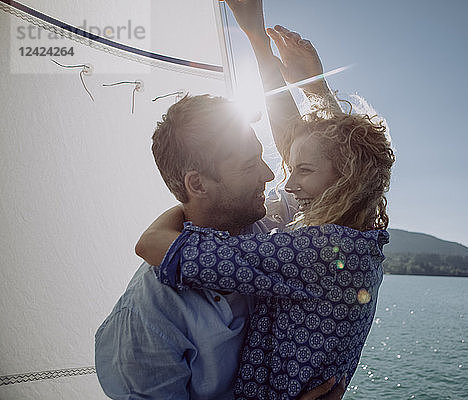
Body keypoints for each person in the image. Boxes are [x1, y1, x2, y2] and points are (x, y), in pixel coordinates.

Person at [135, 1, 395, 398]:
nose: (282, 181)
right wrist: (280, 61)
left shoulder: (315, 248)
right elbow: (311, 148)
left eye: (302, 174)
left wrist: (184, 205)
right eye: (252, 164)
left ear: (345, 182)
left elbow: (152, 245)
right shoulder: (356, 235)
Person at [95, 97, 344, 398]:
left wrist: (311, 84)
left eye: (260, 157)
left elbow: (344, 173)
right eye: (250, 164)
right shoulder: (146, 318)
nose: (268, 174)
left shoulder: (277, 222)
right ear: (197, 185)